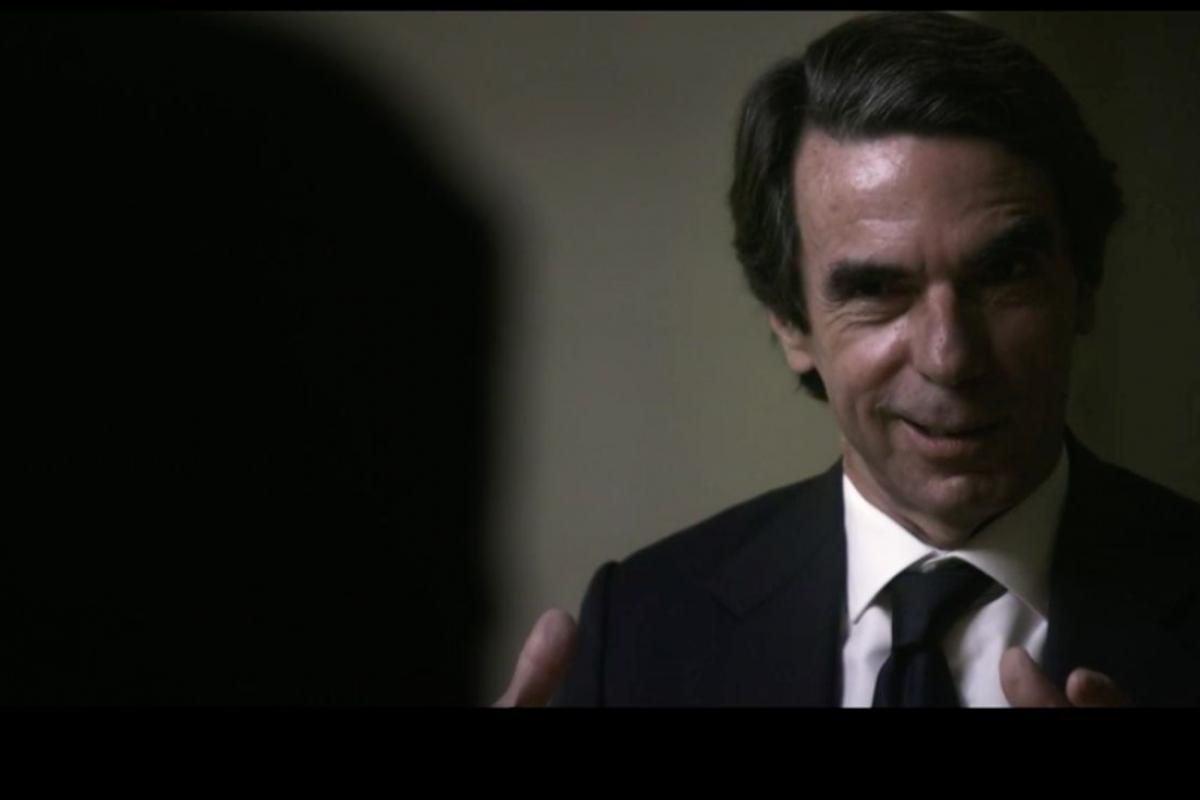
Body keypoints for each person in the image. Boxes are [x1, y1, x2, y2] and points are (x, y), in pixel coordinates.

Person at [495, 11, 1200, 708]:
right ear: (790, 322)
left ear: (1084, 285)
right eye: (876, 291)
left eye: (1004, 274)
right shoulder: (643, 626)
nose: (950, 358)